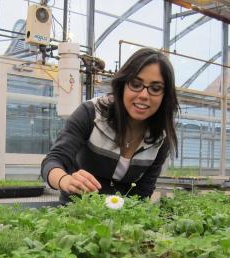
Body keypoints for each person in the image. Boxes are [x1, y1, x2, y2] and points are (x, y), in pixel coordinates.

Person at [41, 47, 179, 204]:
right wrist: (65, 180)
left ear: (165, 95)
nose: (143, 95)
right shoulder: (91, 113)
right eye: (135, 84)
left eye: (155, 88)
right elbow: (53, 161)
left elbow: (143, 192)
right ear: (123, 85)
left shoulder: (161, 138)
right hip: (76, 216)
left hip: (122, 220)